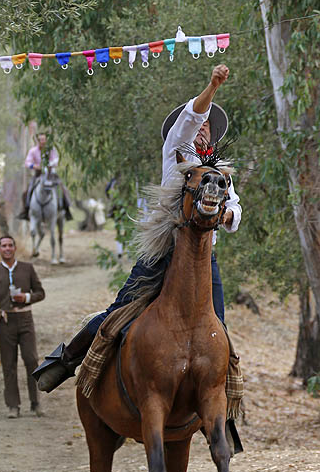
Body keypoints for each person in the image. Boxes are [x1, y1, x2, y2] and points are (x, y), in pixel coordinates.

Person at [34, 64, 241, 392]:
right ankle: (67, 360)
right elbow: (189, 116)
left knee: (221, 334)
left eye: (207, 125)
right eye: (200, 121)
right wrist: (213, 85)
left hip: (203, 257)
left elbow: (235, 206)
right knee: (118, 313)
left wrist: (228, 217)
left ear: (213, 136)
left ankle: (226, 408)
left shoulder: (220, 174)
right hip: (165, 250)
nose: (202, 126)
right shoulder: (177, 146)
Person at [0, 235, 45, 418]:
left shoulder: (27, 269)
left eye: (10, 245)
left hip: (25, 319)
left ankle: (36, 402)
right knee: (8, 364)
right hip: (4, 322)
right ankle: (13, 406)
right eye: (3, 246)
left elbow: (41, 293)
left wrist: (26, 298)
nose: (7, 248)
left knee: (31, 359)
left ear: (15, 248)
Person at [19, 132, 72, 221]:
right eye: (41, 140)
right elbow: (27, 163)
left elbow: (56, 160)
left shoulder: (51, 149)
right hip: (38, 174)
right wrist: (34, 166)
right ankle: (26, 210)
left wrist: (50, 165)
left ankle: (66, 210)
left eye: (44, 139)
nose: (43, 141)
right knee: (27, 191)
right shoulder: (33, 151)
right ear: (38, 141)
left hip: (51, 174)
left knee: (62, 189)